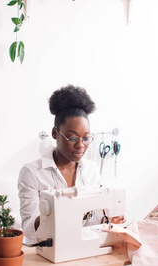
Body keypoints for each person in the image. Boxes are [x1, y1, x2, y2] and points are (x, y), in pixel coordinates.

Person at [17, 84, 101, 240]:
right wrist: (53, 213)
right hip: (47, 251)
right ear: (55, 133)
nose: (80, 145)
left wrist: (108, 218)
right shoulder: (32, 173)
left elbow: (95, 220)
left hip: (84, 248)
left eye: (86, 138)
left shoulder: (91, 170)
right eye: (73, 137)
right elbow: (28, 228)